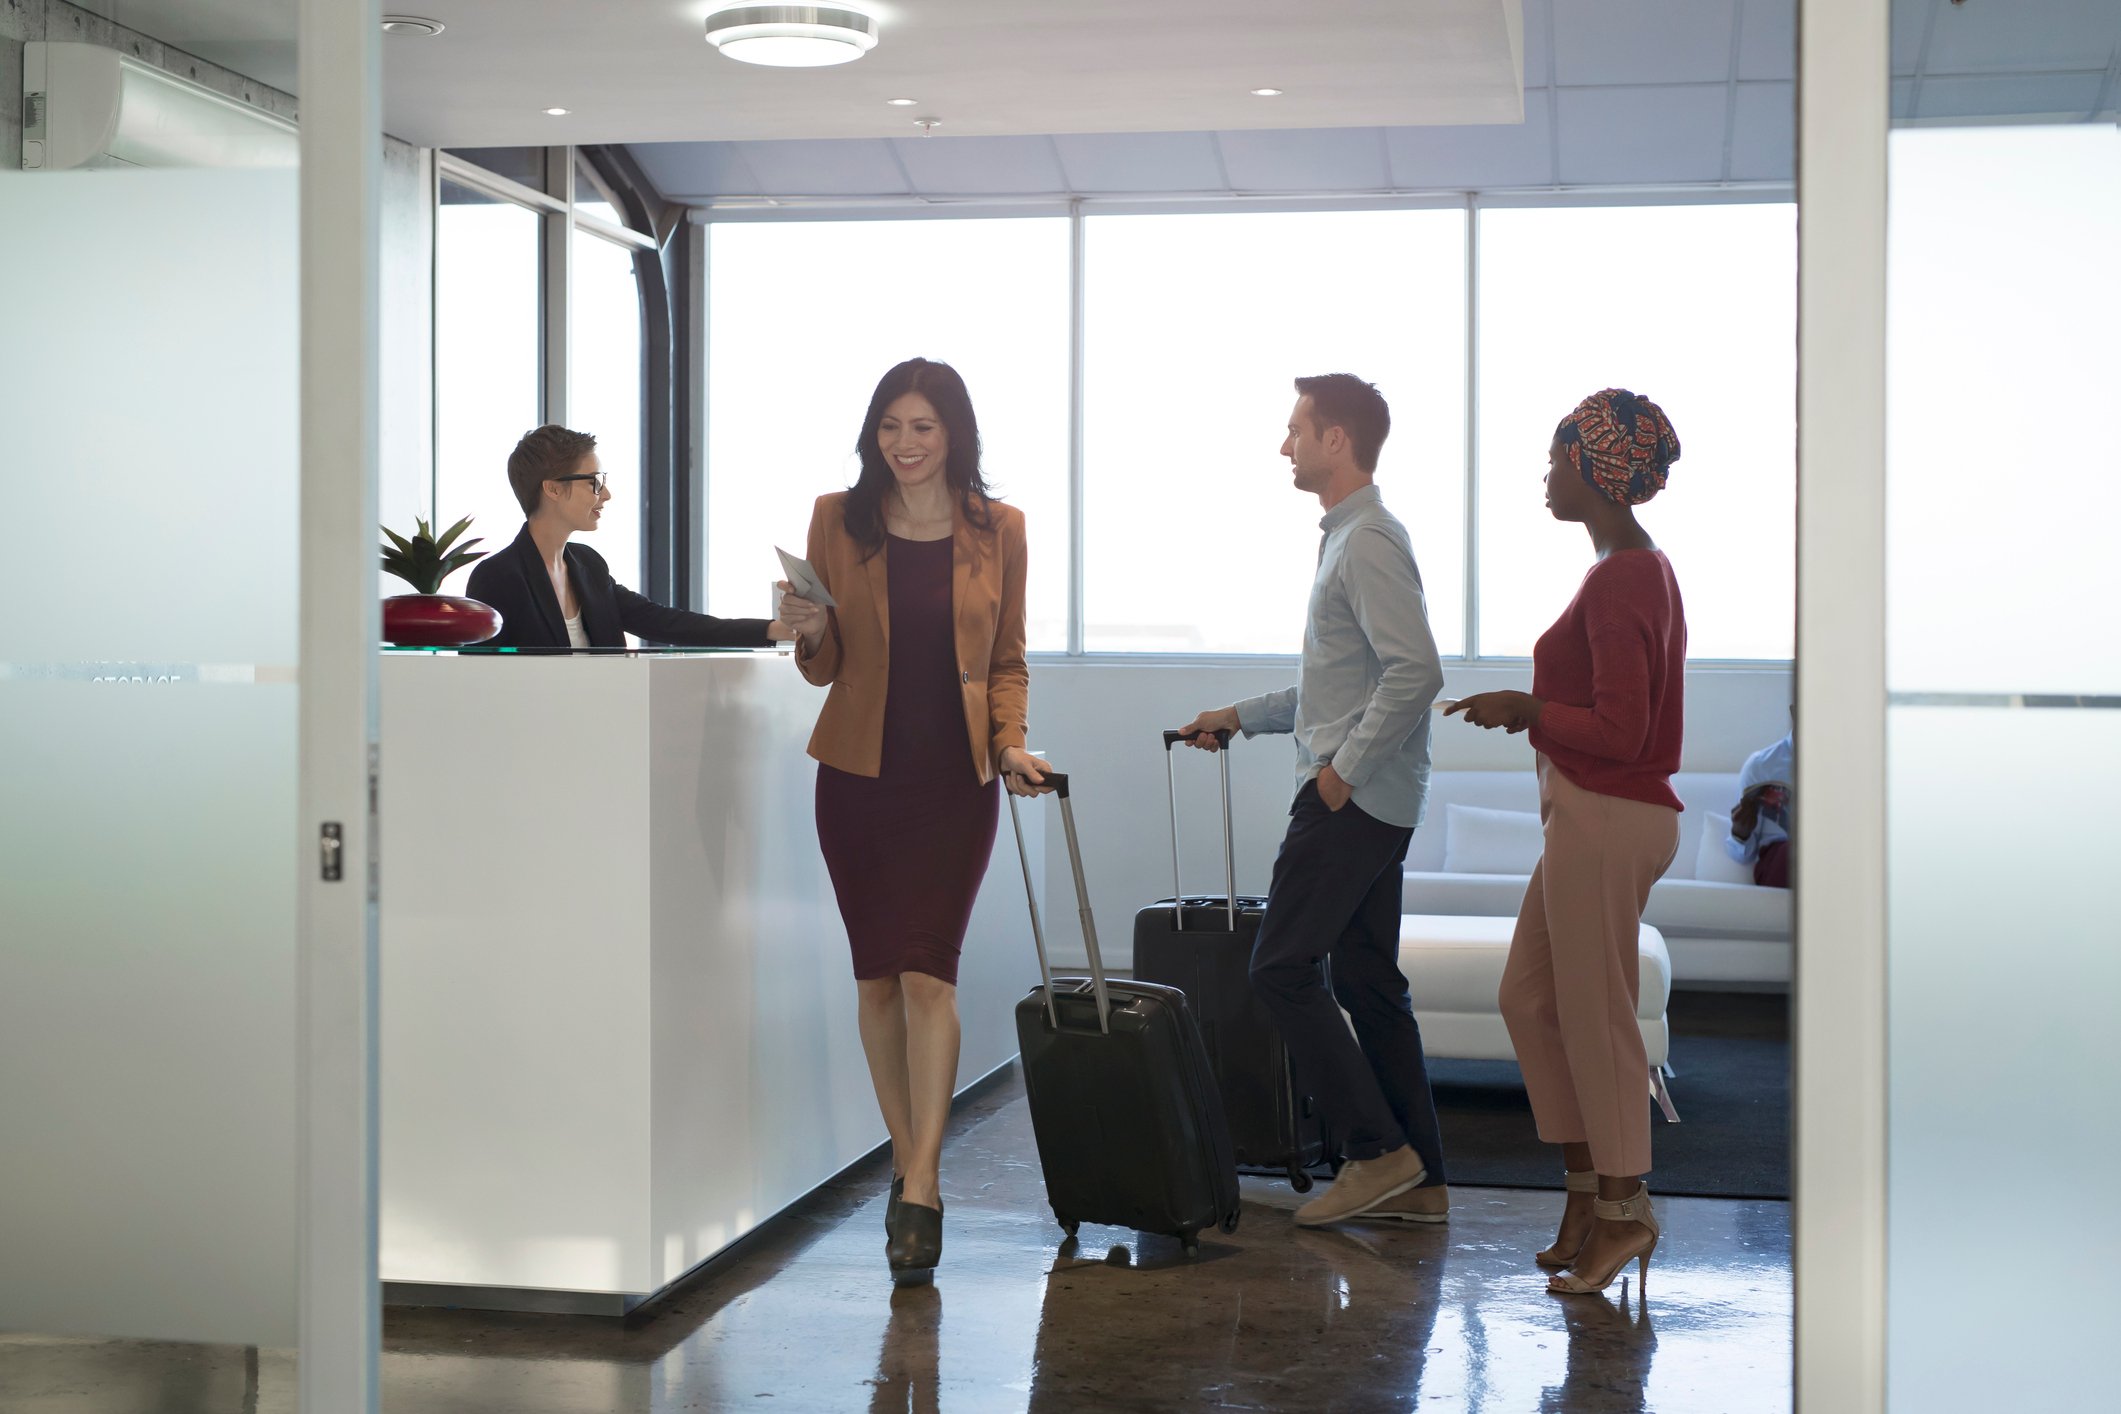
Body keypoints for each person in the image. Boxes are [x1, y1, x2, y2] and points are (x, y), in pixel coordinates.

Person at [774, 358, 1052, 1286]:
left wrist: (1010, 744)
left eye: (923, 426)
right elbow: (824, 665)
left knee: (929, 975)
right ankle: (908, 1156)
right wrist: (806, 628)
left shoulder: (999, 529)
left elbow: (1006, 659)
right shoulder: (836, 519)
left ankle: (922, 1185)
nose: (904, 442)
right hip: (858, 780)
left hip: (953, 784)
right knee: (877, 984)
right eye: (890, 425)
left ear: (954, 434)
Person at [1178, 373, 1451, 1230]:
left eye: (1296, 429)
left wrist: (1341, 773)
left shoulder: (1366, 539)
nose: (1284, 444)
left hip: (1351, 800)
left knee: (1280, 967)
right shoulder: (1347, 539)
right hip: (1371, 795)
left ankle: (1376, 1153)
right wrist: (1240, 718)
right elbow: (1336, 687)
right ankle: (1425, 1176)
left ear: (1337, 440)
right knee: (1368, 983)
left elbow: (1416, 672)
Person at [1445, 387, 1686, 1297]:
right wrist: (1536, 713)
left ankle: (1625, 1215)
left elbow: (1622, 731)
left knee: (1598, 1017)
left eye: (1554, 460)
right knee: (1529, 997)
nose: (1544, 477)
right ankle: (1588, 1194)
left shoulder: (1624, 573)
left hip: (1607, 811)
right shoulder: (1629, 569)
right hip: (1590, 814)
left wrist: (1527, 709)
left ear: (1594, 469)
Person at [466, 424, 790, 651]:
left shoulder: (588, 565)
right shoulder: (497, 578)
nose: (606, 494)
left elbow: (662, 621)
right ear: (551, 488)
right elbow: (485, 686)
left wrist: (771, 630)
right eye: (594, 481)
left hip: (609, 733)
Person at [1727, 724, 1793, 888]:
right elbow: (1742, 856)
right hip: (1779, 859)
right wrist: (1740, 833)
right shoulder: (1761, 765)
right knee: (1791, 852)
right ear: (1793, 712)